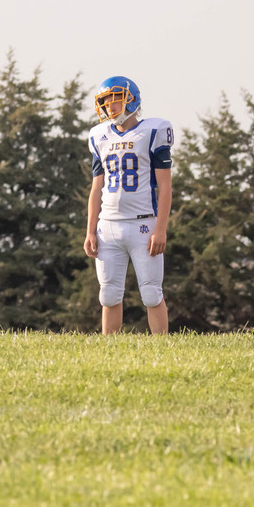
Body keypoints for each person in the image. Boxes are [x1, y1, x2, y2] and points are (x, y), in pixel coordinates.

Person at [84, 76, 173, 335]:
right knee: (109, 295)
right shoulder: (99, 135)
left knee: (151, 293)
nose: (109, 106)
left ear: (131, 99)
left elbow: (165, 187)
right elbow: (96, 188)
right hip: (108, 225)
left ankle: (164, 350)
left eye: (115, 99)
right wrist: (90, 230)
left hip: (143, 222)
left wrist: (161, 228)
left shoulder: (153, 131)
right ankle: (109, 351)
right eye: (105, 101)